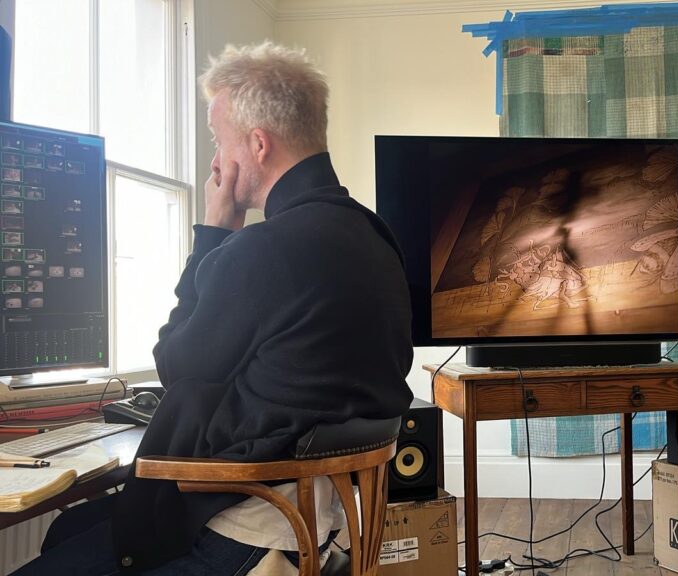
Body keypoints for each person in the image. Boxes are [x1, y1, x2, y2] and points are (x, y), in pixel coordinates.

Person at [13, 42, 414, 575]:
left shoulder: (267, 247)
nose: (216, 161)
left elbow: (174, 364)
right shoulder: (373, 235)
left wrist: (214, 233)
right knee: (69, 529)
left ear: (258, 144)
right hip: (319, 528)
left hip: (249, 534)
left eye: (218, 141)